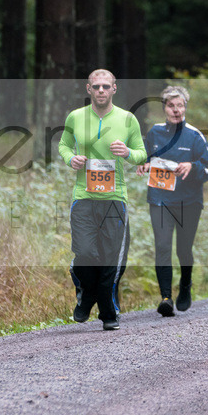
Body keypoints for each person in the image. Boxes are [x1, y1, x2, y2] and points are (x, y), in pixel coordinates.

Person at [58, 69, 147, 330]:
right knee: (85, 253)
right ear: (88, 89)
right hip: (83, 195)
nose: (100, 91)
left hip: (114, 197)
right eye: (96, 86)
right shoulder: (75, 117)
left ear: (114, 89)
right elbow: (63, 145)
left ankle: (109, 312)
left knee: (110, 257)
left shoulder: (127, 119)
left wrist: (128, 152)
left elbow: (142, 154)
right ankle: (87, 296)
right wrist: (69, 158)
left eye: (105, 86)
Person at [136, 86, 208, 316]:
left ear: (185, 108)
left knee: (183, 250)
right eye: (171, 106)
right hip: (159, 199)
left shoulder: (194, 135)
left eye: (180, 105)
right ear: (164, 108)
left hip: (188, 201)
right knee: (162, 246)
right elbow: (145, 156)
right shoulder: (154, 133)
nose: (176, 110)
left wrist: (193, 166)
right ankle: (165, 298)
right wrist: (143, 162)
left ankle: (185, 285)